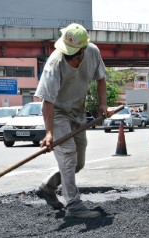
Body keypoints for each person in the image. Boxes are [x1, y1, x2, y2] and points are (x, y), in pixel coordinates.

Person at [34, 23, 113, 218]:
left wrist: (103, 104)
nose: (68, 58)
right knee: (68, 155)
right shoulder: (54, 64)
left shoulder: (93, 52)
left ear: (83, 51)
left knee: (78, 163)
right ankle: (74, 205)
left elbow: (101, 78)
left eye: (72, 55)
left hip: (78, 112)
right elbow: (48, 101)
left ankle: (48, 186)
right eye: (66, 54)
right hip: (58, 112)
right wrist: (50, 133)